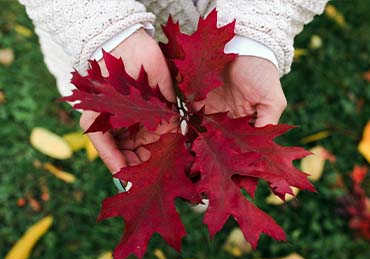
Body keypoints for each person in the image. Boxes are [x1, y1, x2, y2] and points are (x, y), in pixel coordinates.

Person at [19, 0, 328, 175]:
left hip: (227, 65)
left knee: (206, 159)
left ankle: (202, 184)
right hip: (93, 42)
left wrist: (252, 38)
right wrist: (110, 39)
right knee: (144, 139)